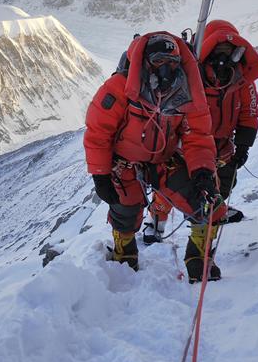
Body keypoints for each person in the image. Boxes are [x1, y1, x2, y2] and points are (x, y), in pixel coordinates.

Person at [84, 32, 223, 274]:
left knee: (207, 203)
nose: (167, 69)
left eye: (172, 62)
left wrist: (202, 171)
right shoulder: (120, 88)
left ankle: (198, 259)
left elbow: (198, 136)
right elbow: (98, 132)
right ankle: (125, 253)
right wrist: (100, 174)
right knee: (124, 209)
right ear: (145, 62)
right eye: (159, 62)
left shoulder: (187, 94)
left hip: (164, 160)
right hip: (124, 163)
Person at [144, 19, 258, 280]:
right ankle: (156, 222)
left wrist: (243, 146)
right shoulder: (190, 78)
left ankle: (198, 256)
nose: (222, 62)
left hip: (222, 148)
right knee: (172, 191)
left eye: (228, 54)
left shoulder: (242, 80)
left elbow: (248, 113)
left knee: (214, 197)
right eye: (216, 53)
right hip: (186, 146)